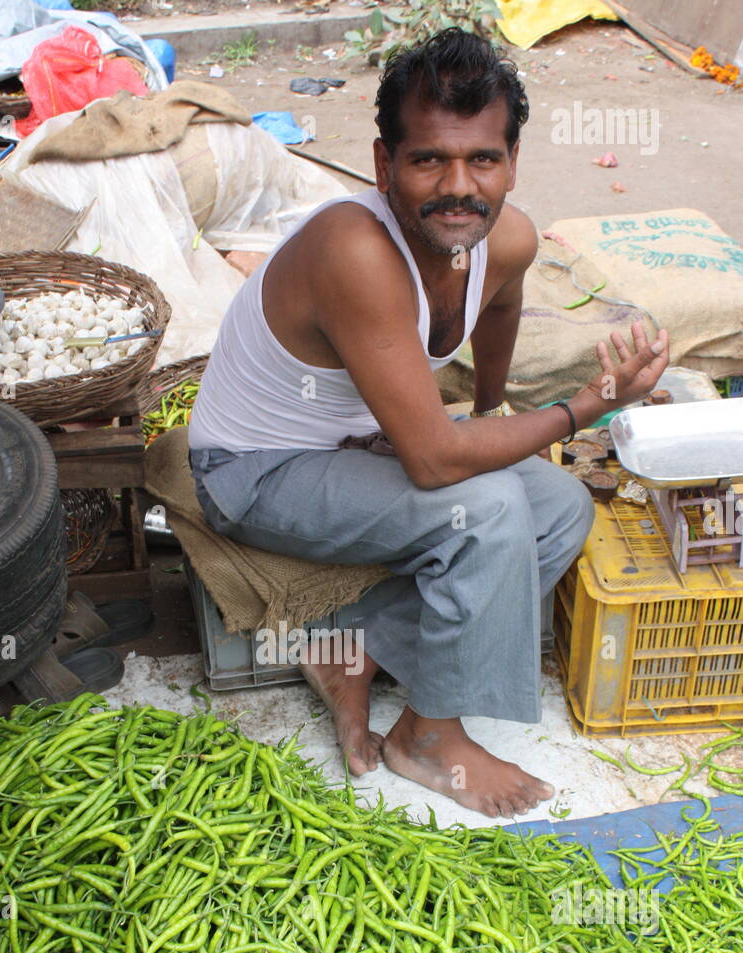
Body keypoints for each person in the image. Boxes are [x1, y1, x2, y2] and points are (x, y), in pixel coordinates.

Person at [187, 27, 669, 818]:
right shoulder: (355, 249)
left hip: (347, 447)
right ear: (384, 165)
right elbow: (437, 464)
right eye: (427, 160)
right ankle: (429, 738)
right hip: (256, 469)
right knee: (483, 507)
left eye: (483, 159)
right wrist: (583, 406)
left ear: (512, 162)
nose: (459, 185)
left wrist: (489, 410)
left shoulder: (504, 237)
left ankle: (358, 651)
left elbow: (502, 300)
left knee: (559, 506)